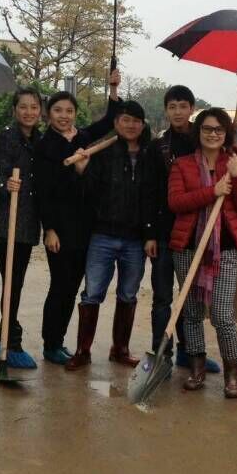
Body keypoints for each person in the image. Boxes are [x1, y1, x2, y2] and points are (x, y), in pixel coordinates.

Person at [34, 70, 121, 365]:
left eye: (69, 111)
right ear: (49, 114)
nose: (64, 116)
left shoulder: (83, 137)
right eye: (58, 110)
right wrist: (49, 229)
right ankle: (50, 343)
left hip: (86, 228)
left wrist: (112, 89)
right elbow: (45, 192)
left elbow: (109, 122)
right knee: (60, 286)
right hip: (60, 229)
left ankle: (59, 341)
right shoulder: (45, 146)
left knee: (73, 288)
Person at [167, 108, 237, 397]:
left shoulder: (234, 163)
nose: (213, 134)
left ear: (226, 133)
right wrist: (212, 191)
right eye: (207, 128)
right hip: (188, 248)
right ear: (198, 132)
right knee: (191, 312)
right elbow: (176, 202)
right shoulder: (182, 165)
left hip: (224, 250)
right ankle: (197, 368)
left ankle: (232, 373)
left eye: (218, 129)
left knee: (222, 314)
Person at [66, 100, 152, 370]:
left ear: (142, 125)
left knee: (128, 293)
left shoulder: (149, 155)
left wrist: (150, 234)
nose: (131, 125)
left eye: (136, 120)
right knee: (91, 293)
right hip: (102, 235)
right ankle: (83, 350)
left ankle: (120, 349)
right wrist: (81, 171)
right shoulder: (102, 152)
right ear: (116, 123)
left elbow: (153, 198)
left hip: (135, 239)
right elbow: (86, 195)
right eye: (125, 119)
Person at [142, 85, 220, 375]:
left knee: (191, 299)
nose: (177, 112)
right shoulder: (157, 147)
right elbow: (149, 192)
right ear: (166, 110)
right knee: (162, 298)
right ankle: (162, 355)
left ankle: (190, 352)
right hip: (164, 234)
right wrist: (150, 234)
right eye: (172, 106)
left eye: (183, 106)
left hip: (196, 233)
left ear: (192, 108)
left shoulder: (204, 143)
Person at [0, 87, 43, 369]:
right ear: (14, 110)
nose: (28, 112)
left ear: (40, 111)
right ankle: (11, 340)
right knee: (12, 282)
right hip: (4, 223)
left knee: (15, 282)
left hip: (28, 223)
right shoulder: (5, 138)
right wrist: (4, 183)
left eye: (34, 107)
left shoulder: (41, 141)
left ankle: (3, 338)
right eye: (23, 106)